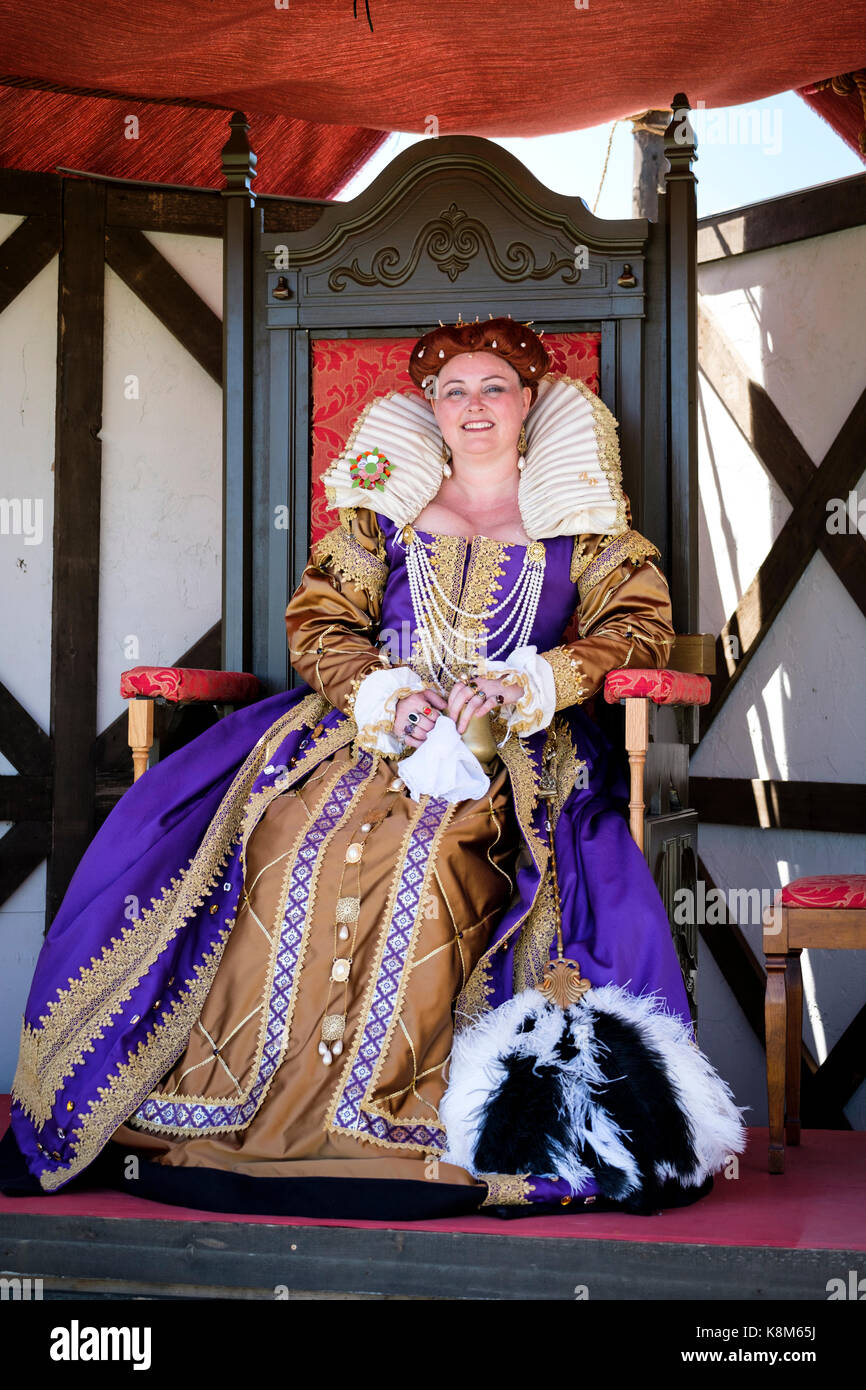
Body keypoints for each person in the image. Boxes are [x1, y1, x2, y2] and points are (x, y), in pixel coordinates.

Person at [4, 317, 744, 1220]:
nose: (475, 407)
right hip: (369, 733)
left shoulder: (586, 528)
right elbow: (319, 623)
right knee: (287, 843)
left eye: (495, 389)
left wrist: (532, 682)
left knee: (432, 859)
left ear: (529, 402)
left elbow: (636, 630)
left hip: (511, 748)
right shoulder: (381, 518)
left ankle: (385, 1114)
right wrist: (384, 693)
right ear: (430, 411)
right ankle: (236, 1105)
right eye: (455, 392)